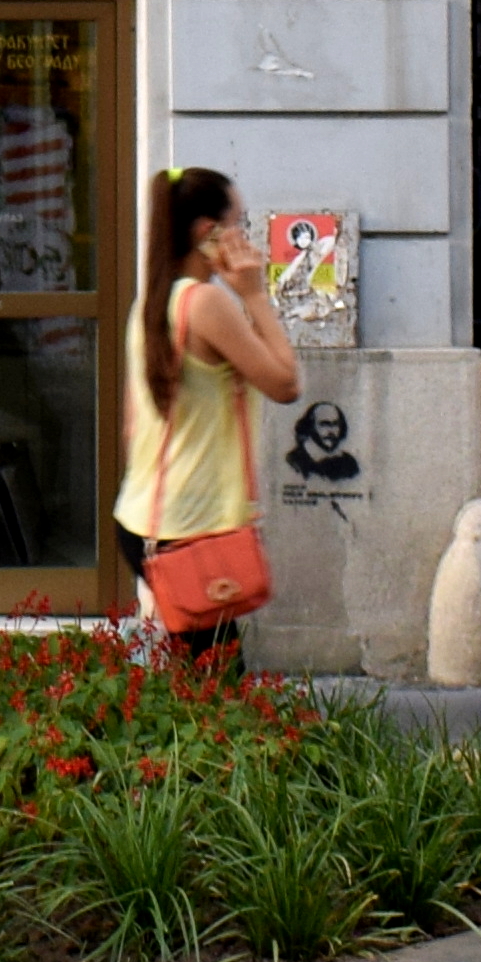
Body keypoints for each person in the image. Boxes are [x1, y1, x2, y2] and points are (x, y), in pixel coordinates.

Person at [112, 164, 300, 668]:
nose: (248, 236)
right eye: (240, 222)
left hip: (147, 517)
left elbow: (133, 423)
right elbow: (286, 383)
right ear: (207, 232)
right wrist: (255, 295)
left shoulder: (154, 301)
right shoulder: (206, 303)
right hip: (188, 530)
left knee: (201, 678)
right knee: (217, 689)